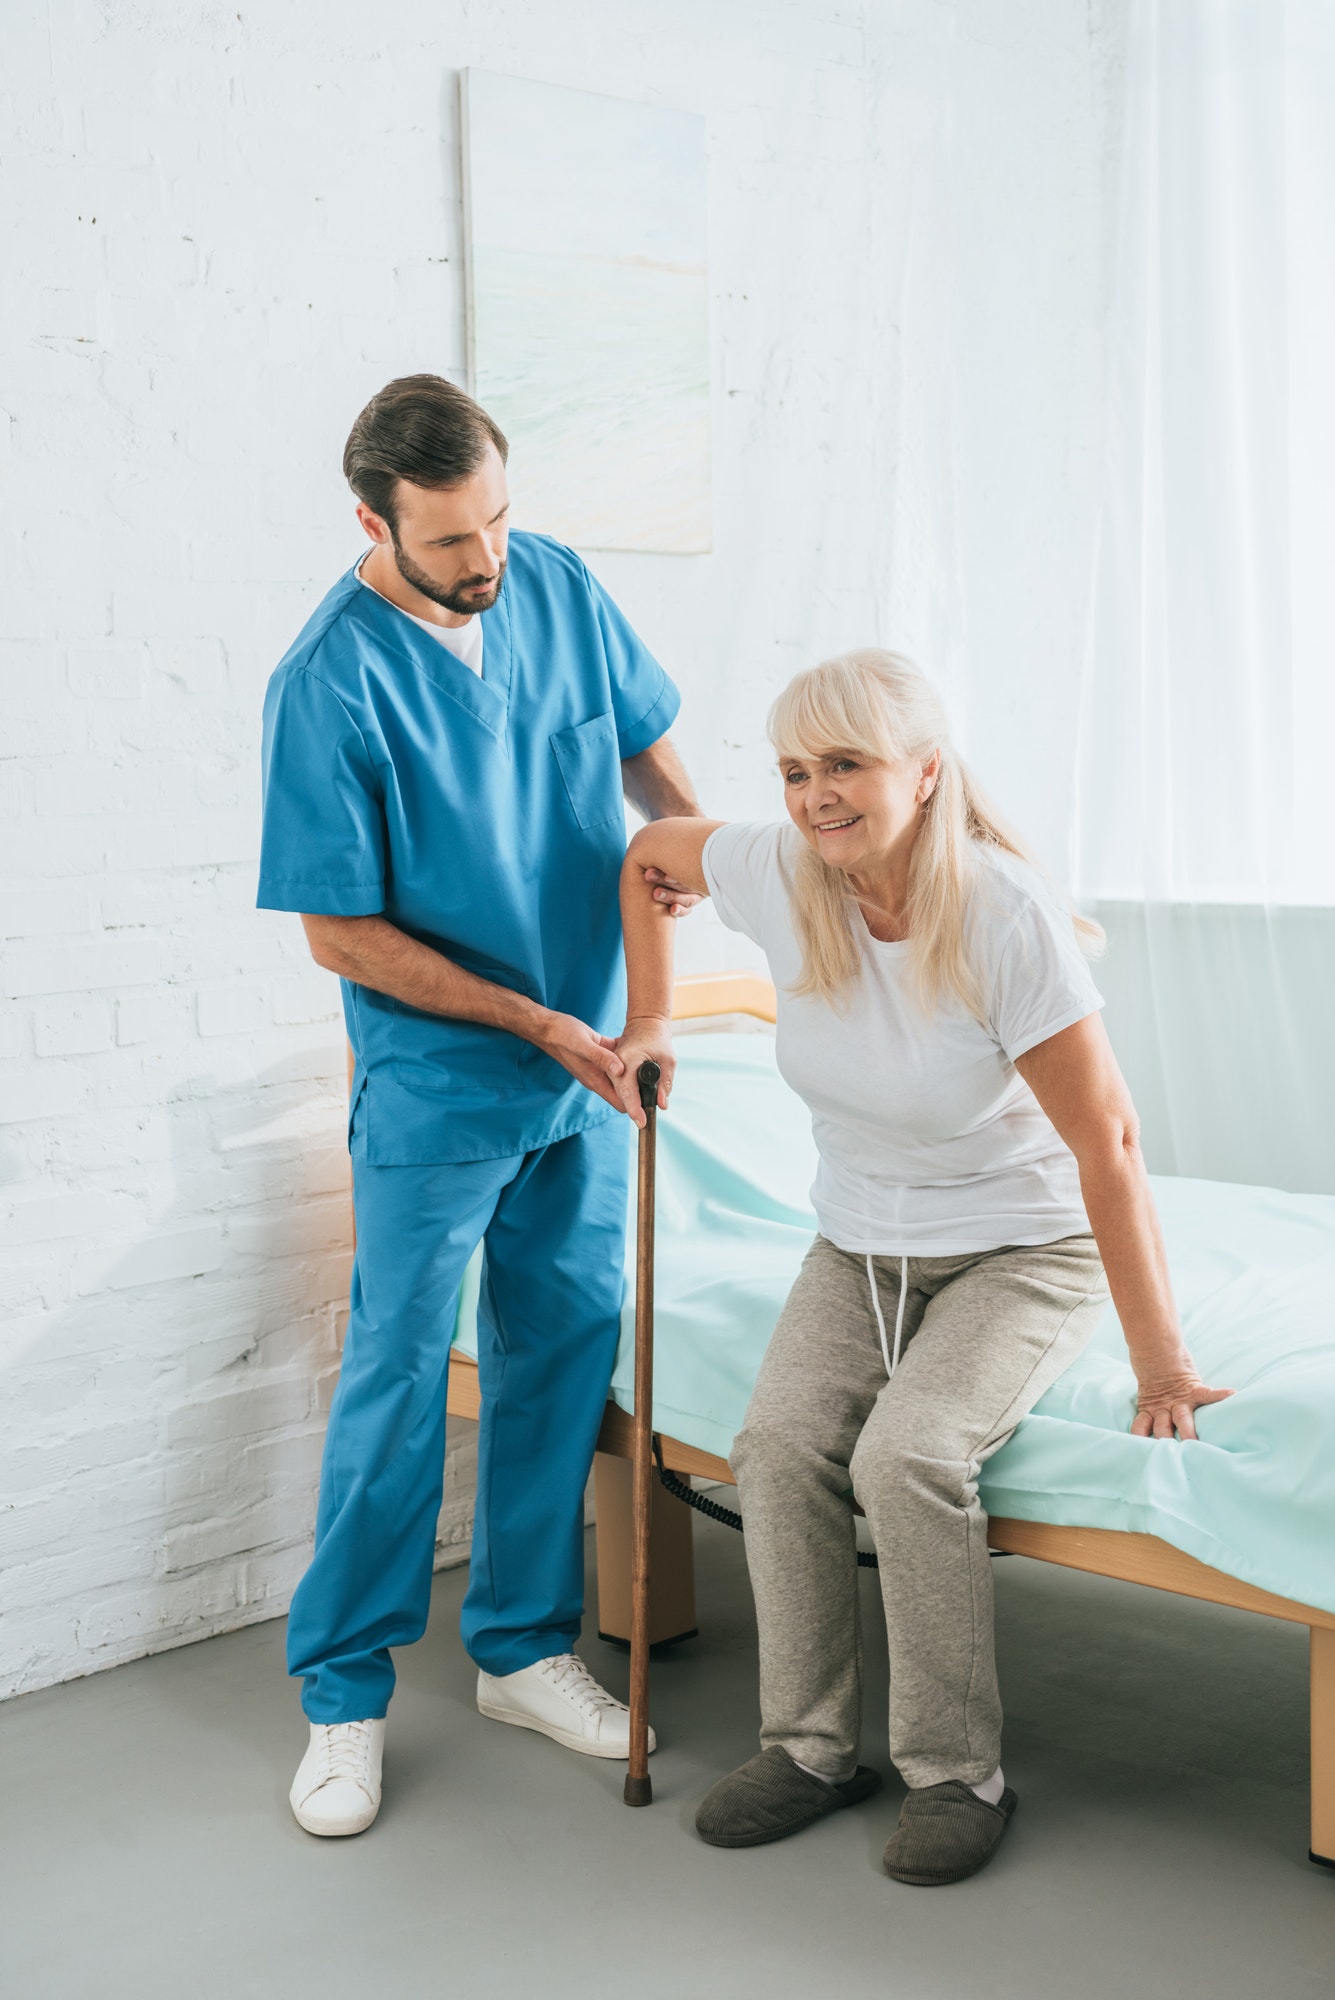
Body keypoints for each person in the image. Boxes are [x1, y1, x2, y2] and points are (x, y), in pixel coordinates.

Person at [612, 649, 1231, 1885]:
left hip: (1021, 1250)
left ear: (927, 770)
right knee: (779, 1443)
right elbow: (646, 857)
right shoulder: (781, 872)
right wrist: (654, 1017)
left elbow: (1105, 1139)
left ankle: (958, 1774)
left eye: (846, 764)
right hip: (856, 1246)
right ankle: (809, 1747)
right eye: (795, 770)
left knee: (909, 1455)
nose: (814, 795)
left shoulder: (1001, 912)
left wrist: (1162, 1360)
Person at [257, 374, 704, 1837]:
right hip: (447, 1079)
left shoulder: (555, 582)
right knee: (394, 1378)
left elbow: (650, 774)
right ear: (374, 523)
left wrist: (678, 934)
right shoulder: (327, 680)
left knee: (558, 1353)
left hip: (587, 1073)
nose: (486, 560)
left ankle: (518, 1646)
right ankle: (341, 1698)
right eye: (452, 541)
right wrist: (533, 1019)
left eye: (498, 520)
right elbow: (341, 934)